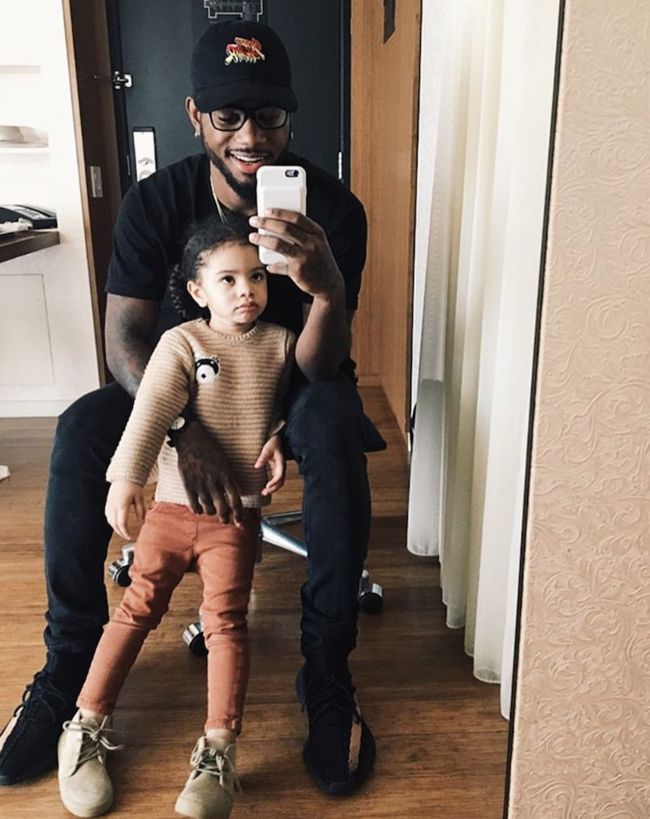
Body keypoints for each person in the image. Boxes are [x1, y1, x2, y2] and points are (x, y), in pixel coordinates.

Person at [0, 19, 379, 797]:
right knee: (82, 427)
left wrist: (327, 287)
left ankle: (326, 670)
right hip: (179, 390)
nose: (250, 136)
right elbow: (124, 340)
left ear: (291, 115)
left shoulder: (335, 210)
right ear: (195, 114)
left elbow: (320, 365)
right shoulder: (155, 202)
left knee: (334, 425)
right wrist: (182, 426)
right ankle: (69, 664)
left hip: (290, 387)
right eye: (228, 115)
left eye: (268, 115)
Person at [57, 221, 294, 819]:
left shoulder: (280, 343)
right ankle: (84, 724)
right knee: (137, 609)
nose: (246, 290)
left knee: (226, 622)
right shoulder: (182, 342)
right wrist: (126, 478)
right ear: (197, 290)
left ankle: (219, 749)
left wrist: (280, 438)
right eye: (228, 279)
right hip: (168, 508)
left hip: (234, 515)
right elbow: (154, 408)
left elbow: (287, 404)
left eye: (257, 277)